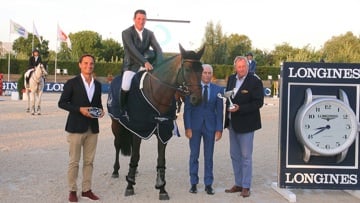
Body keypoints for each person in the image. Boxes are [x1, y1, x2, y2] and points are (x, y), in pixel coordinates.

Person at [58, 54, 105, 202]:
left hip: (92, 128)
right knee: (74, 161)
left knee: (89, 161)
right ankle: (72, 190)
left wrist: (100, 111)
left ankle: (86, 190)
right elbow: (62, 103)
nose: (88, 66)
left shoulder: (97, 85)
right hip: (76, 127)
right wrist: (80, 109)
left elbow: (97, 104)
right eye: (85, 63)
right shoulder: (72, 83)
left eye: (91, 64)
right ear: (80, 65)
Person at [224, 56, 264, 198]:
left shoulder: (255, 81)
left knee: (246, 156)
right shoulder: (231, 79)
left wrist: (240, 108)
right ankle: (238, 183)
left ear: (248, 67)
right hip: (232, 124)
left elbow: (258, 103)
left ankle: (246, 186)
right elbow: (228, 98)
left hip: (247, 124)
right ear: (235, 67)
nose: (241, 69)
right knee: (234, 155)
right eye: (239, 67)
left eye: (243, 67)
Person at [183, 64, 224, 195]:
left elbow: (220, 111)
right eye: (205, 72)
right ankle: (193, 183)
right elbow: (187, 110)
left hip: (210, 128)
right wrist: (187, 127)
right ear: (201, 74)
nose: (207, 75)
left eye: (209, 73)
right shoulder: (192, 89)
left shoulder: (218, 89)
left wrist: (219, 129)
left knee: (209, 157)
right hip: (194, 127)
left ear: (212, 75)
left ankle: (208, 184)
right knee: (194, 155)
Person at [120, 9, 163, 112]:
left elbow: (158, 49)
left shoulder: (150, 34)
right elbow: (132, 50)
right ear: (134, 19)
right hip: (131, 65)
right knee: (126, 85)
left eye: (143, 19)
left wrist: (160, 64)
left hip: (146, 65)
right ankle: (123, 109)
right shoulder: (126, 33)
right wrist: (145, 62)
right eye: (139, 18)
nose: (141, 21)